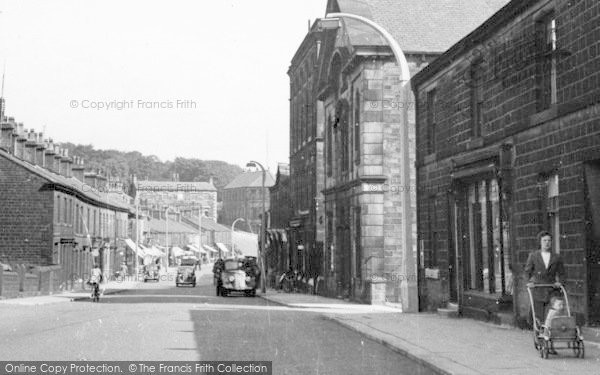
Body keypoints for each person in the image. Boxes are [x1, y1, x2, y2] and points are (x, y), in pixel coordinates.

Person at [525, 231, 565, 326]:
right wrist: (529, 282)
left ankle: (548, 327)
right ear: (540, 242)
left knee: (557, 306)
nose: (547, 242)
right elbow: (527, 272)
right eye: (544, 240)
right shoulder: (533, 256)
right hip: (538, 288)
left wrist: (560, 282)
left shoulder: (556, 257)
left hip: (552, 288)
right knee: (539, 317)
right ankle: (540, 335)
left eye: (549, 240)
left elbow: (562, 273)